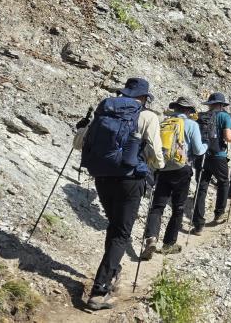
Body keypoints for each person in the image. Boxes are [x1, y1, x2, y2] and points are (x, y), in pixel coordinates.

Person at [75, 77, 164, 311]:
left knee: (115, 227)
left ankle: (113, 271)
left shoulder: (105, 111)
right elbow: (156, 154)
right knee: (121, 234)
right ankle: (99, 291)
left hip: (102, 177)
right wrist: (158, 166)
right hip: (130, 180)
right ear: (144, 98)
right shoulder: (148, 117)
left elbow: (79, 144)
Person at [139, 97, 206, 260]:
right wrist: (206, 146)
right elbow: (198, 150)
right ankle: (168, 244)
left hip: (163, 168)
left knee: (157, 206)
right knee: (178, 207)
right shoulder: (191, 125)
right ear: (189, 111)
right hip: (182, 168)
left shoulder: (164, 123)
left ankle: (151, 238)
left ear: (175, 108)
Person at [192, 92, 231, 235]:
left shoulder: (202, 117)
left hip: (202, 156)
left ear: (210, 104)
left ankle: (198, 225)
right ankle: (219, 213)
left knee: (201, 188)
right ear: (221, 105)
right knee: (223, 183)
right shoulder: (224, 116)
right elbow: (228, 137)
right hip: (218, 156)